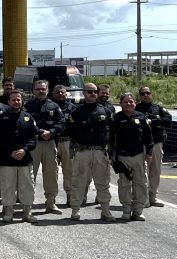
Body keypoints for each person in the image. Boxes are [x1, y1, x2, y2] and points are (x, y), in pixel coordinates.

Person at [66, 83, 115, 222]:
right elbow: (70, 130)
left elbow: (112, 132)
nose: (93, 94)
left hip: (100, 152)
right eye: (89, 91)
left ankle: (105, 211)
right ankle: (75, 210)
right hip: (82, 152)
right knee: (78, 182)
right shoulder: (76, 112)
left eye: (95, 91)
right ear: (84, 93)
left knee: (103, 183)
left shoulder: (105, 111)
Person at [0, 91, 39, 223]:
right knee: (8, 186)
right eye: (13, 100)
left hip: (25, 158)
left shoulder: (28, 117)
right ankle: (8, 212)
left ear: (22, 101)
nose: (16, 102)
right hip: (7, 159)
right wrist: (10, 152)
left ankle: (27, 212)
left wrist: (24, 150)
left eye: (18, 100)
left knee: (27, 185)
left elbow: (34, 137)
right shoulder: (1, 118)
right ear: (8, 102)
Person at [24, 80, 65, 214]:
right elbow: (23, 123)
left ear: (47, 91)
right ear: (33, 90)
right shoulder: (27, 106)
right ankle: (28, 205)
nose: (40, 91)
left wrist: (51, 132)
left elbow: (62, 123)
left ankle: (51, 203)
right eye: (38, 89)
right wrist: (38, 132)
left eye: (43, 89)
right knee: (30, 175)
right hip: (33, 144)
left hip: (49, 143)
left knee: (51, 174)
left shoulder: (54, 106)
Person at [111, 92, 154, 222]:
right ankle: (126, 209)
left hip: (139, 156)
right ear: (121, 104)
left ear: (135, 103)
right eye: (126, 102)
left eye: (131, 102)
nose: (129, 104)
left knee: (140, 184)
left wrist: (149, 153)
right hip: (122, 157)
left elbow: (148, 137)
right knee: (124, 184)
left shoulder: (141, 117)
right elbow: (111, 138)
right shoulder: (116, 118)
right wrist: (112, 155)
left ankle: (138, 211)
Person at [135, 85, 172, 207]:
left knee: (155, 171)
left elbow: (168, 121)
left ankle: (153, 196)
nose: (146, 95)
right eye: (143, 94)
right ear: (140, 96)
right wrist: (154, 121)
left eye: (148, 93)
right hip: (141, 145)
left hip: (156, 144)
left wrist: (152, 121)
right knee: (142, 172)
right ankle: (143, 197)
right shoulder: (136, 109)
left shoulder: (159, 108)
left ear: (151, 94)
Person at [50, 85, 78, 206]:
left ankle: (70, 195)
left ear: (66, 94)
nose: (60, 94)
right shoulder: (49, 106)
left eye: (62, 92)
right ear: (53, 93)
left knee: (69, 170)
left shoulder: (73, 108)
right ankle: (51, 198)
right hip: (53, 141)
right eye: (57, 92)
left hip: (67, 141)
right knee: (51, 171)